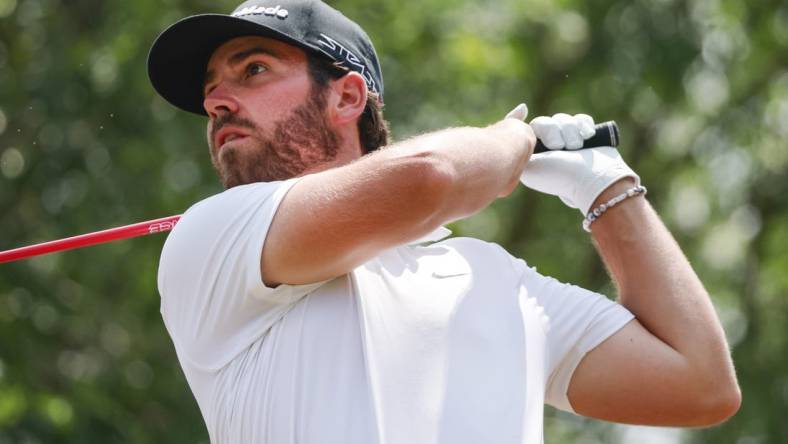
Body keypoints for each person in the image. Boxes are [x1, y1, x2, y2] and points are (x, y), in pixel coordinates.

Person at [149, 1, 741, 442]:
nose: (216, 100)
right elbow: (430, 178)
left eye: (251, 70)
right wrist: (511, 138)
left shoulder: (496, 279)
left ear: (348, 98)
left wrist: (607, 189)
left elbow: (701, 384)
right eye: (211, 88)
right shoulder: (214, 237)